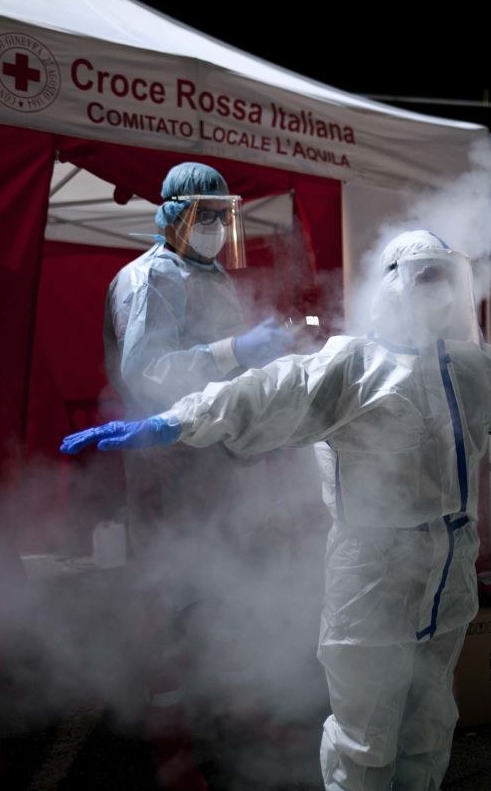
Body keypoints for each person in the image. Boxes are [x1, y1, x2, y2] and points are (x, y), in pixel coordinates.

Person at [63, 231, 491, 790]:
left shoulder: (471, 366)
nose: (437, 291)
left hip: (448, 563)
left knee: (432, 718)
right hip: (373, 569)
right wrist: (171, 423)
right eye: (424, 278)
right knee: (366, 732)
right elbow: (260, 394)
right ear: (392, 285)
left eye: (445, 278)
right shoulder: (350, 364)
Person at [103, 161, 295, 788]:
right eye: (204, 215)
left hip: (218, 460)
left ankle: (239, 717)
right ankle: (173, 747)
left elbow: (230, 371)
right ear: (173, 214)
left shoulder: (210, 278)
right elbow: (149, 374)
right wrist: (234, 352)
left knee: (229, 590)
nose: (216, 226)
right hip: (168, 464)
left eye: (223, 215)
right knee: (172, 602)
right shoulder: (151, 279)